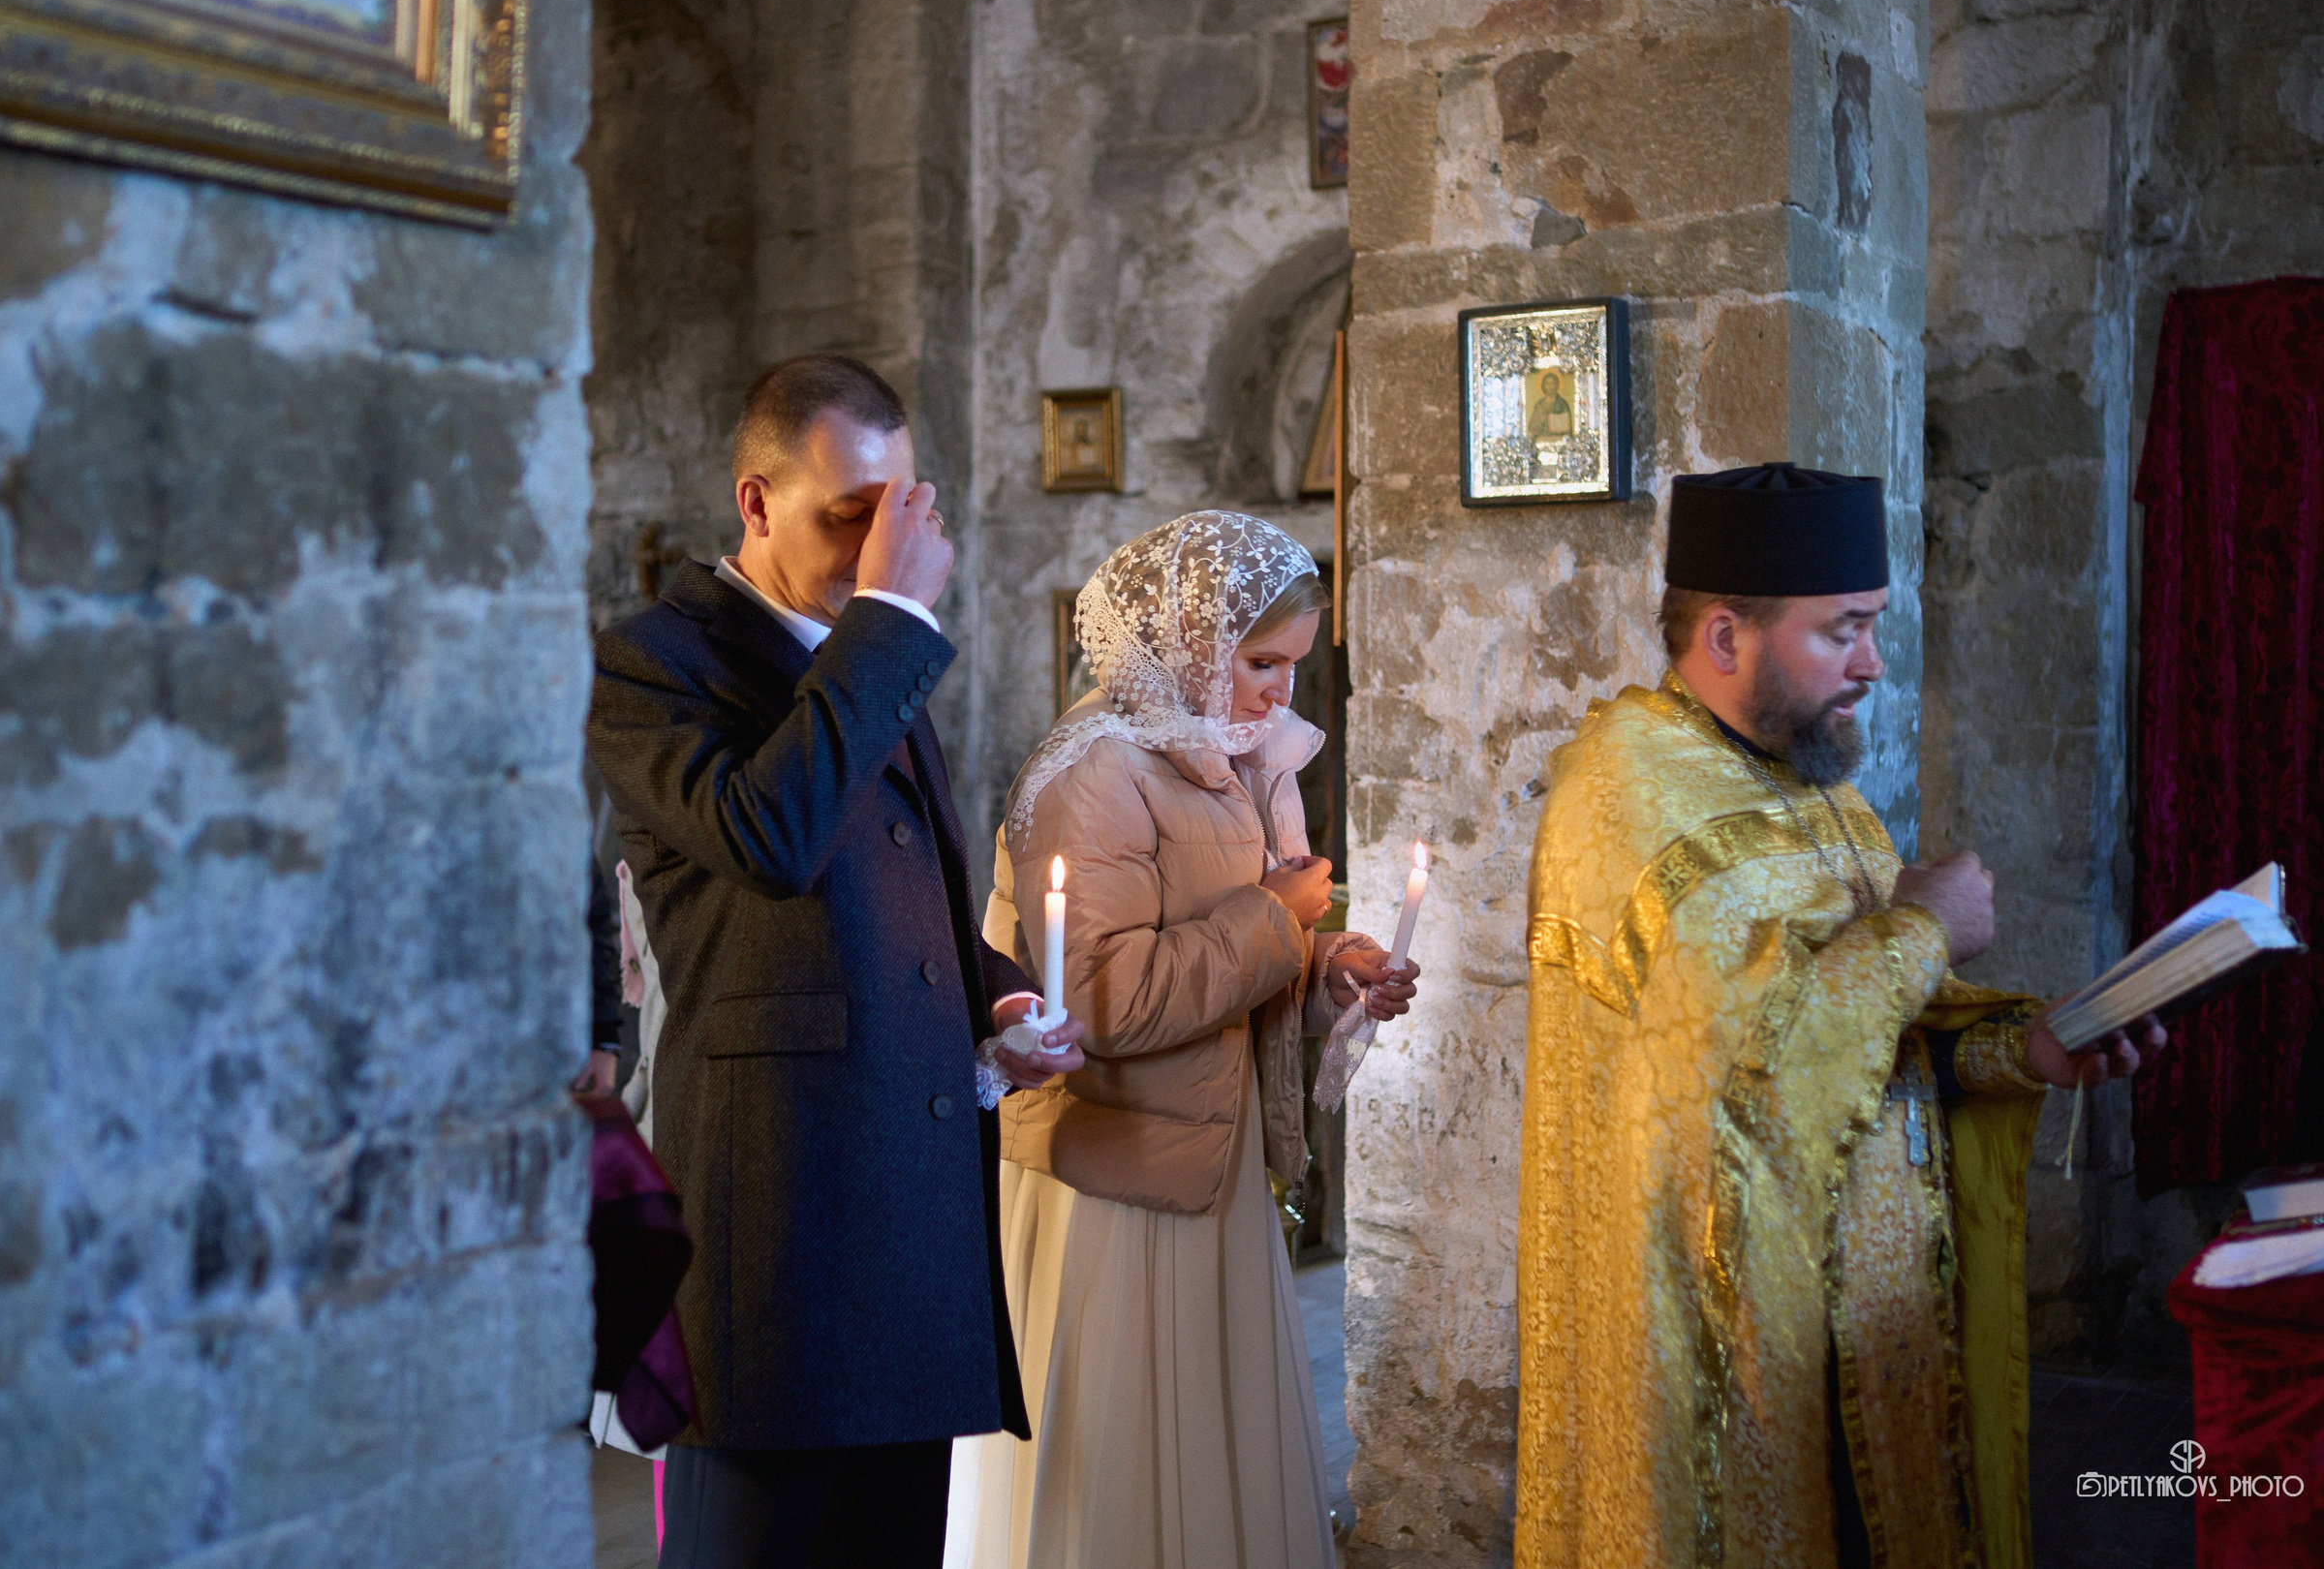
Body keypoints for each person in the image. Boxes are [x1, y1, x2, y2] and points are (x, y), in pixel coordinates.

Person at [1515, 464, 2171, 1569]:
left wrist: (2027, 1051)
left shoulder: (1812, 784)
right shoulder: (1621, 798)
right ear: (1725, 636)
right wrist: (1922, 931)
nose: (1871, 665)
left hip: (1864, 1323)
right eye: (1842, 633)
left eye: (1872, 629)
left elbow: (1870, 1038)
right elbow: (1740, 1083)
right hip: (1725, 1330)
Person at [586, 354, 1086, 1569]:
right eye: (846, 516)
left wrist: (991, 999)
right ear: (756, 504)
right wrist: (891, 620)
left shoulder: (869, 654)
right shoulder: (658, 658)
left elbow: (893, 886)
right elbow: (769, 839)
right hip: (773, 1221)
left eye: (895, 516)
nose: (878, 552)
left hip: (907, 1209)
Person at [951, 511, 1418, 1569]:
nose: (1279, 691)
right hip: (1117, 1184)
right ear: (1186, 640)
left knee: (1210, 1448)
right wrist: (1278, 920)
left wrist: (1325, 965)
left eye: (1295, 667)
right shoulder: (1090, 776)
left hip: (1203, 1150)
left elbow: (1235, 947)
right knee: (1126, 1468)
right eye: (1261, 661)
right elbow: (1107, 1001)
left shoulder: (1214, 752)